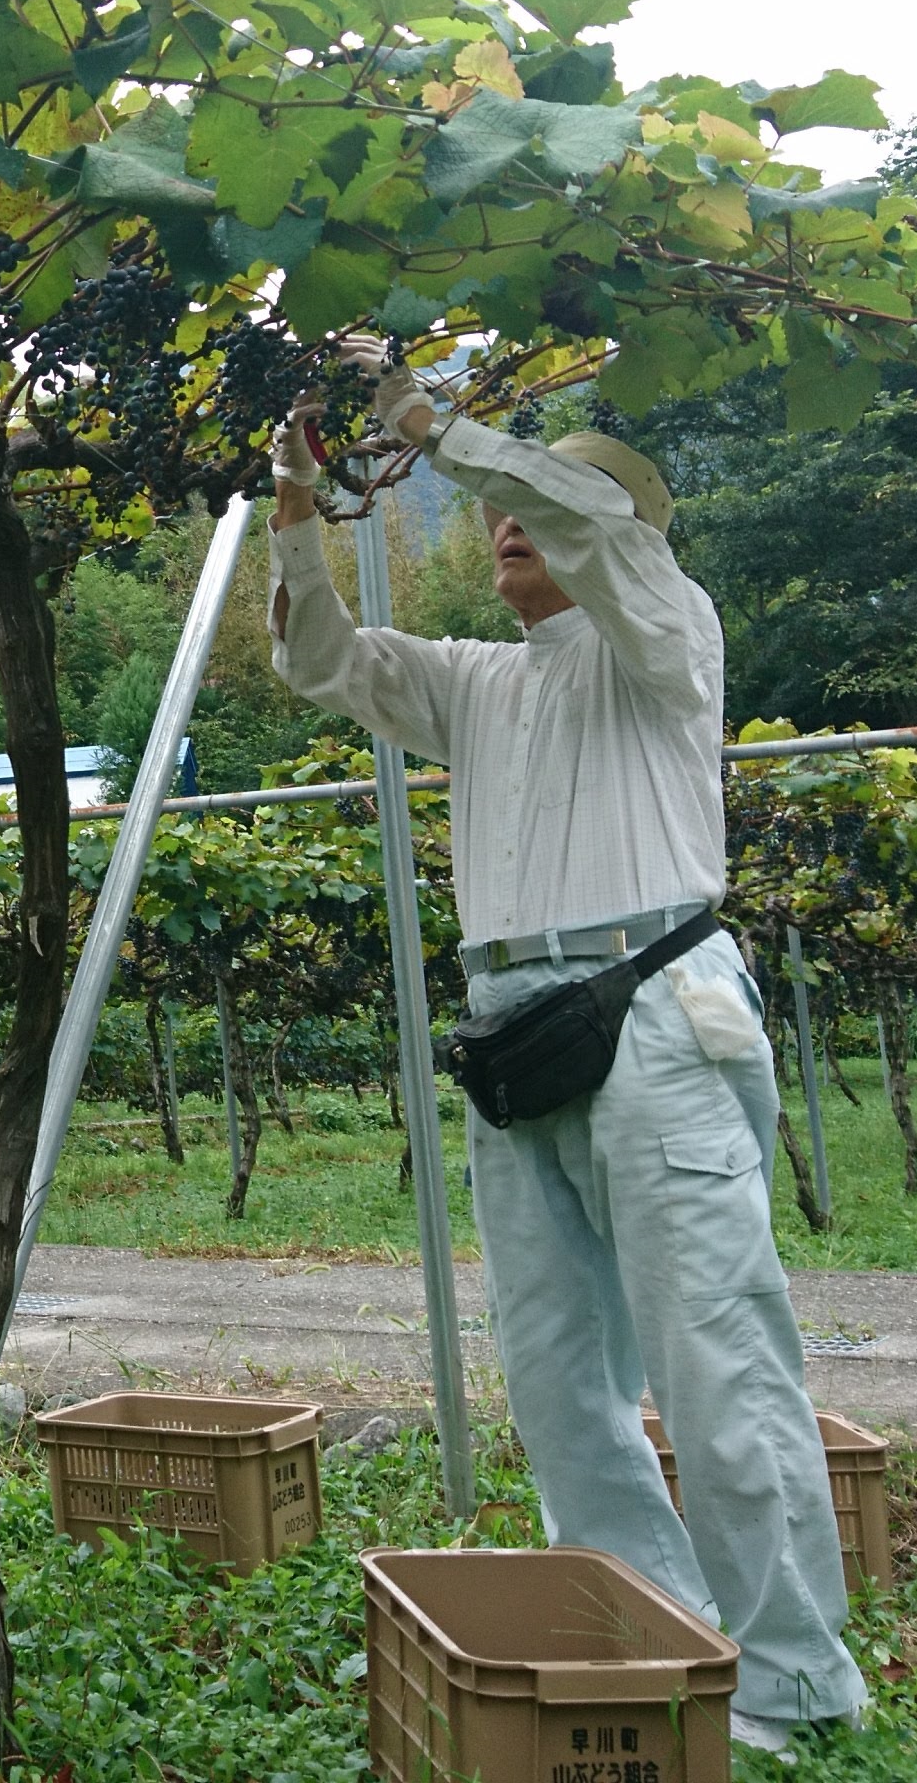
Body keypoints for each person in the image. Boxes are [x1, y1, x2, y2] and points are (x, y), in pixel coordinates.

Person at [265, 354, 864, 1748]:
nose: (513, 527)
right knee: (554, 1379)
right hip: (515, 1032)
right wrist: (300, 508)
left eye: (559, 502)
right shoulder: (484, 683)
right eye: (502, 511)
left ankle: (791, 1686)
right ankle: (652, 1632)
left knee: (713, 1359)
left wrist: (435, 427)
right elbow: (321, 663)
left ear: (626, 532)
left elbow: (586, 523)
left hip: (651, 1006)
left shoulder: (668, 634)